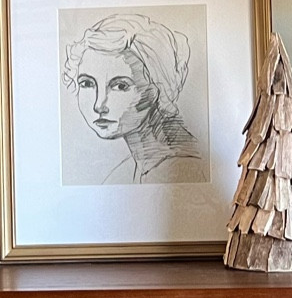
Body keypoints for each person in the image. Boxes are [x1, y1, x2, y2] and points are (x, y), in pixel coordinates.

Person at [62, 12, 205, 184]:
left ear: (156, 90)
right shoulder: (128, 170)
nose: (99, 105)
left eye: (120, 86)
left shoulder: (181, 170)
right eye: (87, 83)